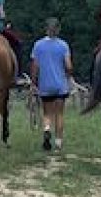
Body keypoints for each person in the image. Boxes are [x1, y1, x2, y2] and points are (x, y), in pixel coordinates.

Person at [30, 17, 73, 151]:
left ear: (46, 29)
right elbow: (68, 65)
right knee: (59, 114)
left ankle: (47, 129)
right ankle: (59, 142)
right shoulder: (63, 45)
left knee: (47, 113)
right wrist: (69, 76)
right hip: (60, 85)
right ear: (58, 29)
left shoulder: (38, 45)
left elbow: (35, 66)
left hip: (45, 85)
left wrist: (34, 82)